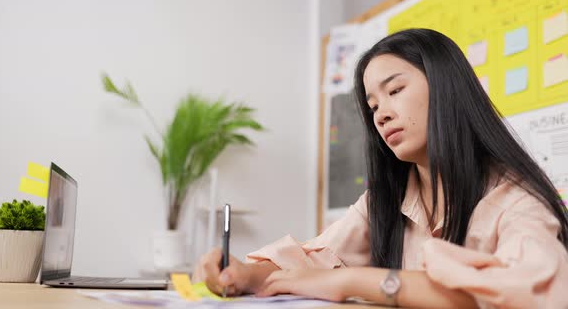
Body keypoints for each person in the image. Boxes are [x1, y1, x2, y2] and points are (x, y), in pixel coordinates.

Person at [193, 29, 568, 308]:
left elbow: (532, 291)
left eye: (395, 90)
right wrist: (244, 275)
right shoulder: (388, 199)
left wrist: (357, 281)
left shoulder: (515, 199)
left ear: (446, 88)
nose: (382, 114)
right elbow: (314, 260)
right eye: (372, 106)